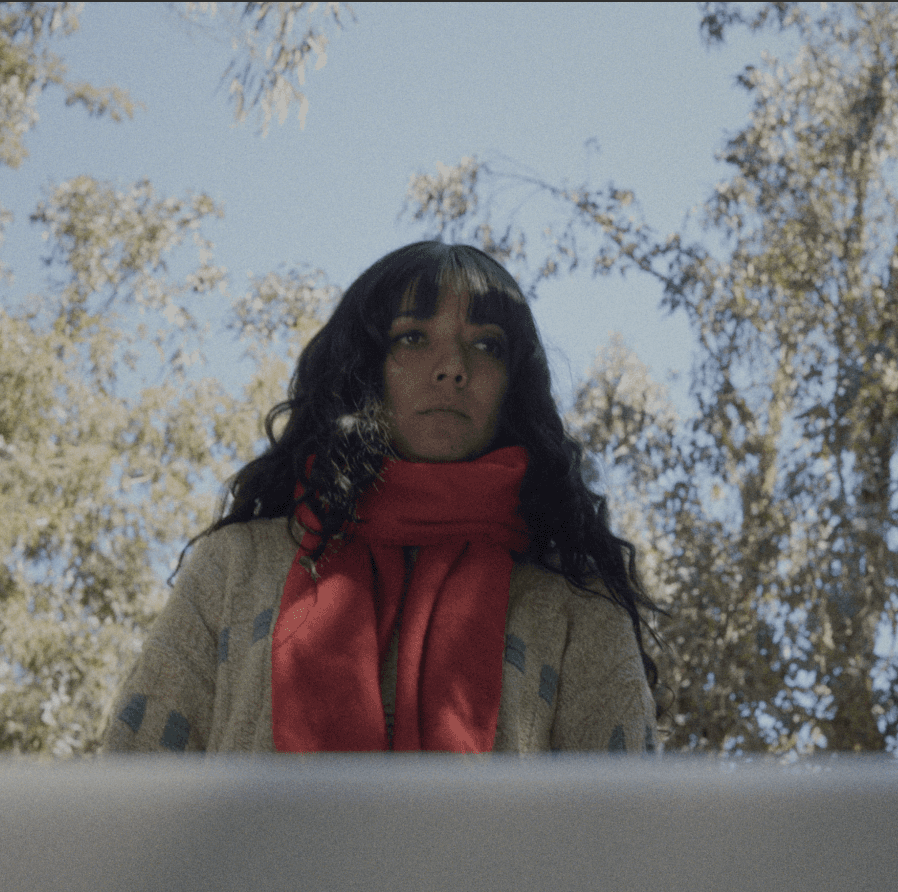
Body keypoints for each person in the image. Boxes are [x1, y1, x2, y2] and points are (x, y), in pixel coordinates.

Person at [103, 241, 660, 754]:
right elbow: (130, 797)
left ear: (515, 385)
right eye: (414, 338)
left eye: (487, 345)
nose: (453, 368)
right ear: (364, 367)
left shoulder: (576, 602)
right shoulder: (236, 567)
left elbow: (626, 835)